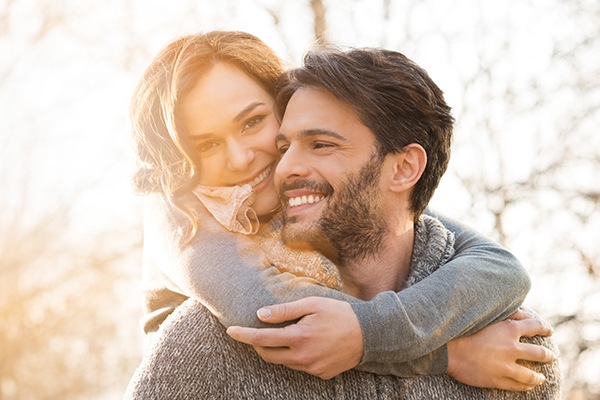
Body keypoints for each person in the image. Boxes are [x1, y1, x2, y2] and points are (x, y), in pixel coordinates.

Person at [125, 31, 556, 392]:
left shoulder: (310, 195)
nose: (240, 158)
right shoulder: (179, 211)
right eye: (207, 145)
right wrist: (448, 354)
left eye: (253, 121)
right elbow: (273, 316)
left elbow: (500, 268)